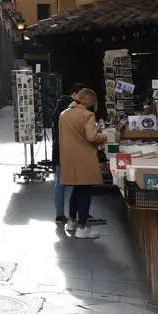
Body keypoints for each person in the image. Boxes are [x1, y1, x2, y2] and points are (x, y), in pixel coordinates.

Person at [58, 88, 106, 239]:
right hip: (84, 158)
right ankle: (82, 227)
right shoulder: (88, 115)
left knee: (76, 189)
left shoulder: (64, 114)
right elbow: (92, 137)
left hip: (68, 157)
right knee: (85, 191)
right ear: (91, 102)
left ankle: (71, 221)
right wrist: (105, 136)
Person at [51, 82, 86, 223]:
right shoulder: (71, 109)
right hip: (70, 150)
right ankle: (76, 215)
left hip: (60, 150)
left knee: (61, 183)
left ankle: (60, 214)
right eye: (81, 95)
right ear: (74, 94)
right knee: (79, 183)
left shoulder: (60, 107)